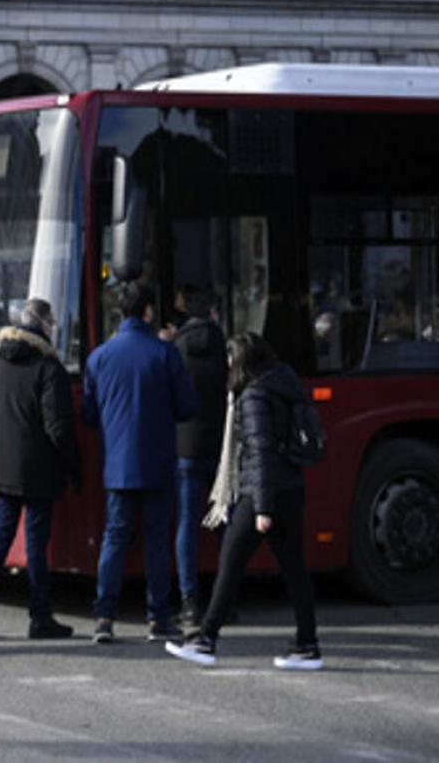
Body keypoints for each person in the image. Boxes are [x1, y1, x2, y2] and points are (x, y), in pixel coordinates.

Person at [166, 333, 324, 671]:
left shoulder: (253, 395)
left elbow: (261, 450)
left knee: (231, 561)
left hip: (263, 491)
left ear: (241, 362)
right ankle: (308, 644)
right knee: (295, 569)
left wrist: (263, 507)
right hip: (290, 487)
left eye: (230, 360)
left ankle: (206, 638)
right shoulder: (283, 382)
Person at [83, 282, 198, 644]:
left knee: (114, 538)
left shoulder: (99, 357)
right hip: (159, 460)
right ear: (148, 311)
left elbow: (89, 413)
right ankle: (158, 616)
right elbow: (187, 408)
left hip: (117, 464)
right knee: (157, 539)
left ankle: (104, 616)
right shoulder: (165, 354)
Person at [0, 300, 82, 641]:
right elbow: (57, 426)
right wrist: (73, 467)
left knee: (0, 538)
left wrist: (0, 445)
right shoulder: (48, 367)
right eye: (51, 321)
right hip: (40, 468)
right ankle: (40, 615)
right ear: (43, 324)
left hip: (4, 466)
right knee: (35, 543)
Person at [172, 286, 229, 627]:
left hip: (185, 448)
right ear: (212, 313)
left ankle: (190, 601)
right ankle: (225, 599)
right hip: (220, 448)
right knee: (224, 524)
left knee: (187, 526)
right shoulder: (227, 346)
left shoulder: (176, 349)